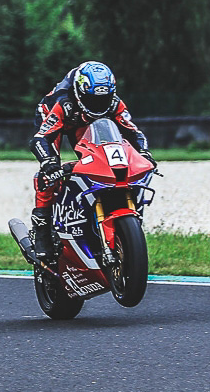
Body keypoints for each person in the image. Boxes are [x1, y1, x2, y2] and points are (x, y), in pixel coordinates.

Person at [28, 61, 153, 264]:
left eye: (103, 99)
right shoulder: (63, 103)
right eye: (92, 100)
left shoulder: (115, 104)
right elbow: (40, 139)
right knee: (50, 173)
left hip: (86, 124)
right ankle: (42, 227)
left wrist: (144, 153)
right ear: (80, 92)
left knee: (101, 162)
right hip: (58, 118)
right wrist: (49, 162)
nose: (98, 105)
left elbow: (134, 132)